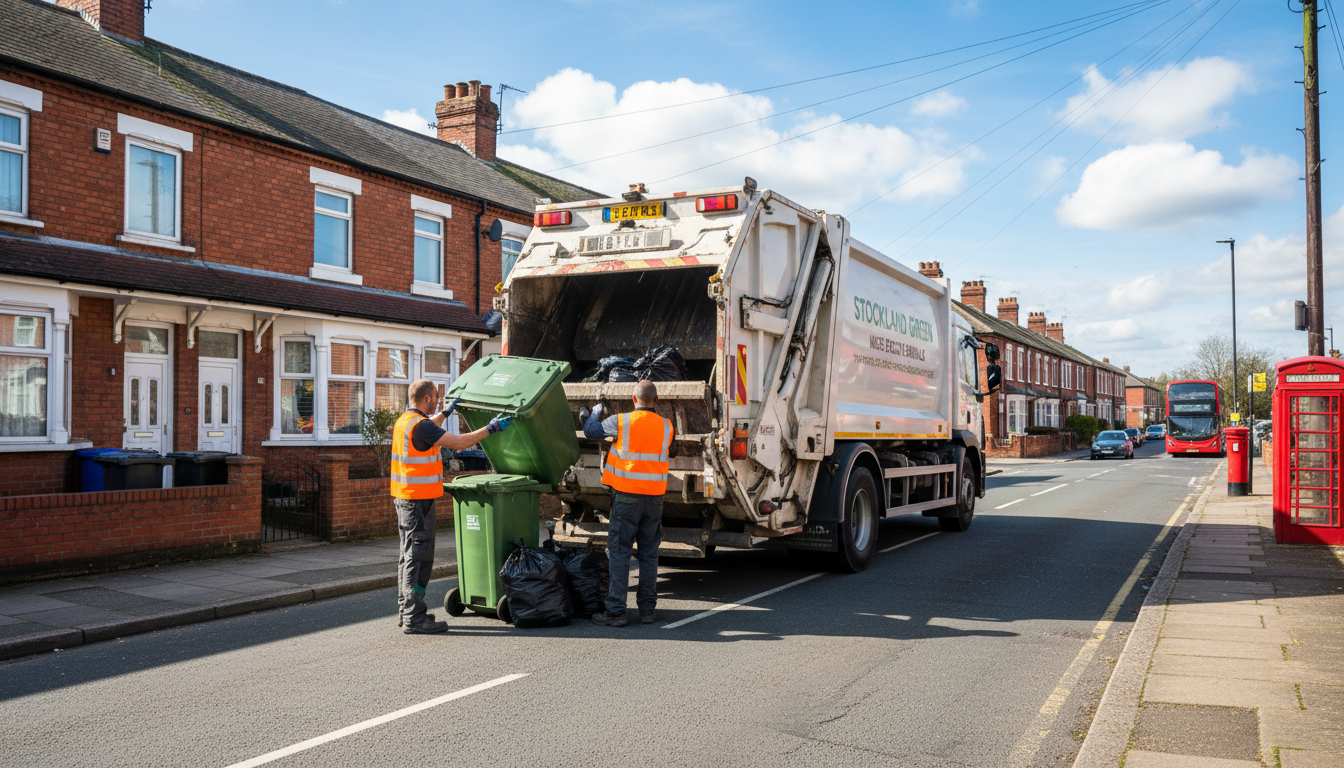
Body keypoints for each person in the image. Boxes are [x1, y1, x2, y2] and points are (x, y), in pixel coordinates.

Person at [393, 378, 512, 634]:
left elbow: (428, 430)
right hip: (418, 502)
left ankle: (407, 611)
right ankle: (415, 617)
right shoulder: (420, 426)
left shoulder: (407, 421)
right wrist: (491, 428)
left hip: (406, 499)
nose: (438, 400)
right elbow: (459, 442)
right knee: (418, 556)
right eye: (436, 397)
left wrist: (444, 414)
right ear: (427, 399)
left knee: (408, 556)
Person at [583, 379, 676, 627]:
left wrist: (591, 415)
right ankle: (647, 610)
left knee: (620, 553)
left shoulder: (621, 421)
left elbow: (591, 432)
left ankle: (615, 611)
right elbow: (672, 449)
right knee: (649, 554)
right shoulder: (667, 425)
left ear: (634, 400)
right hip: (654, 500)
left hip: (626, 498)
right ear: (656, 401)